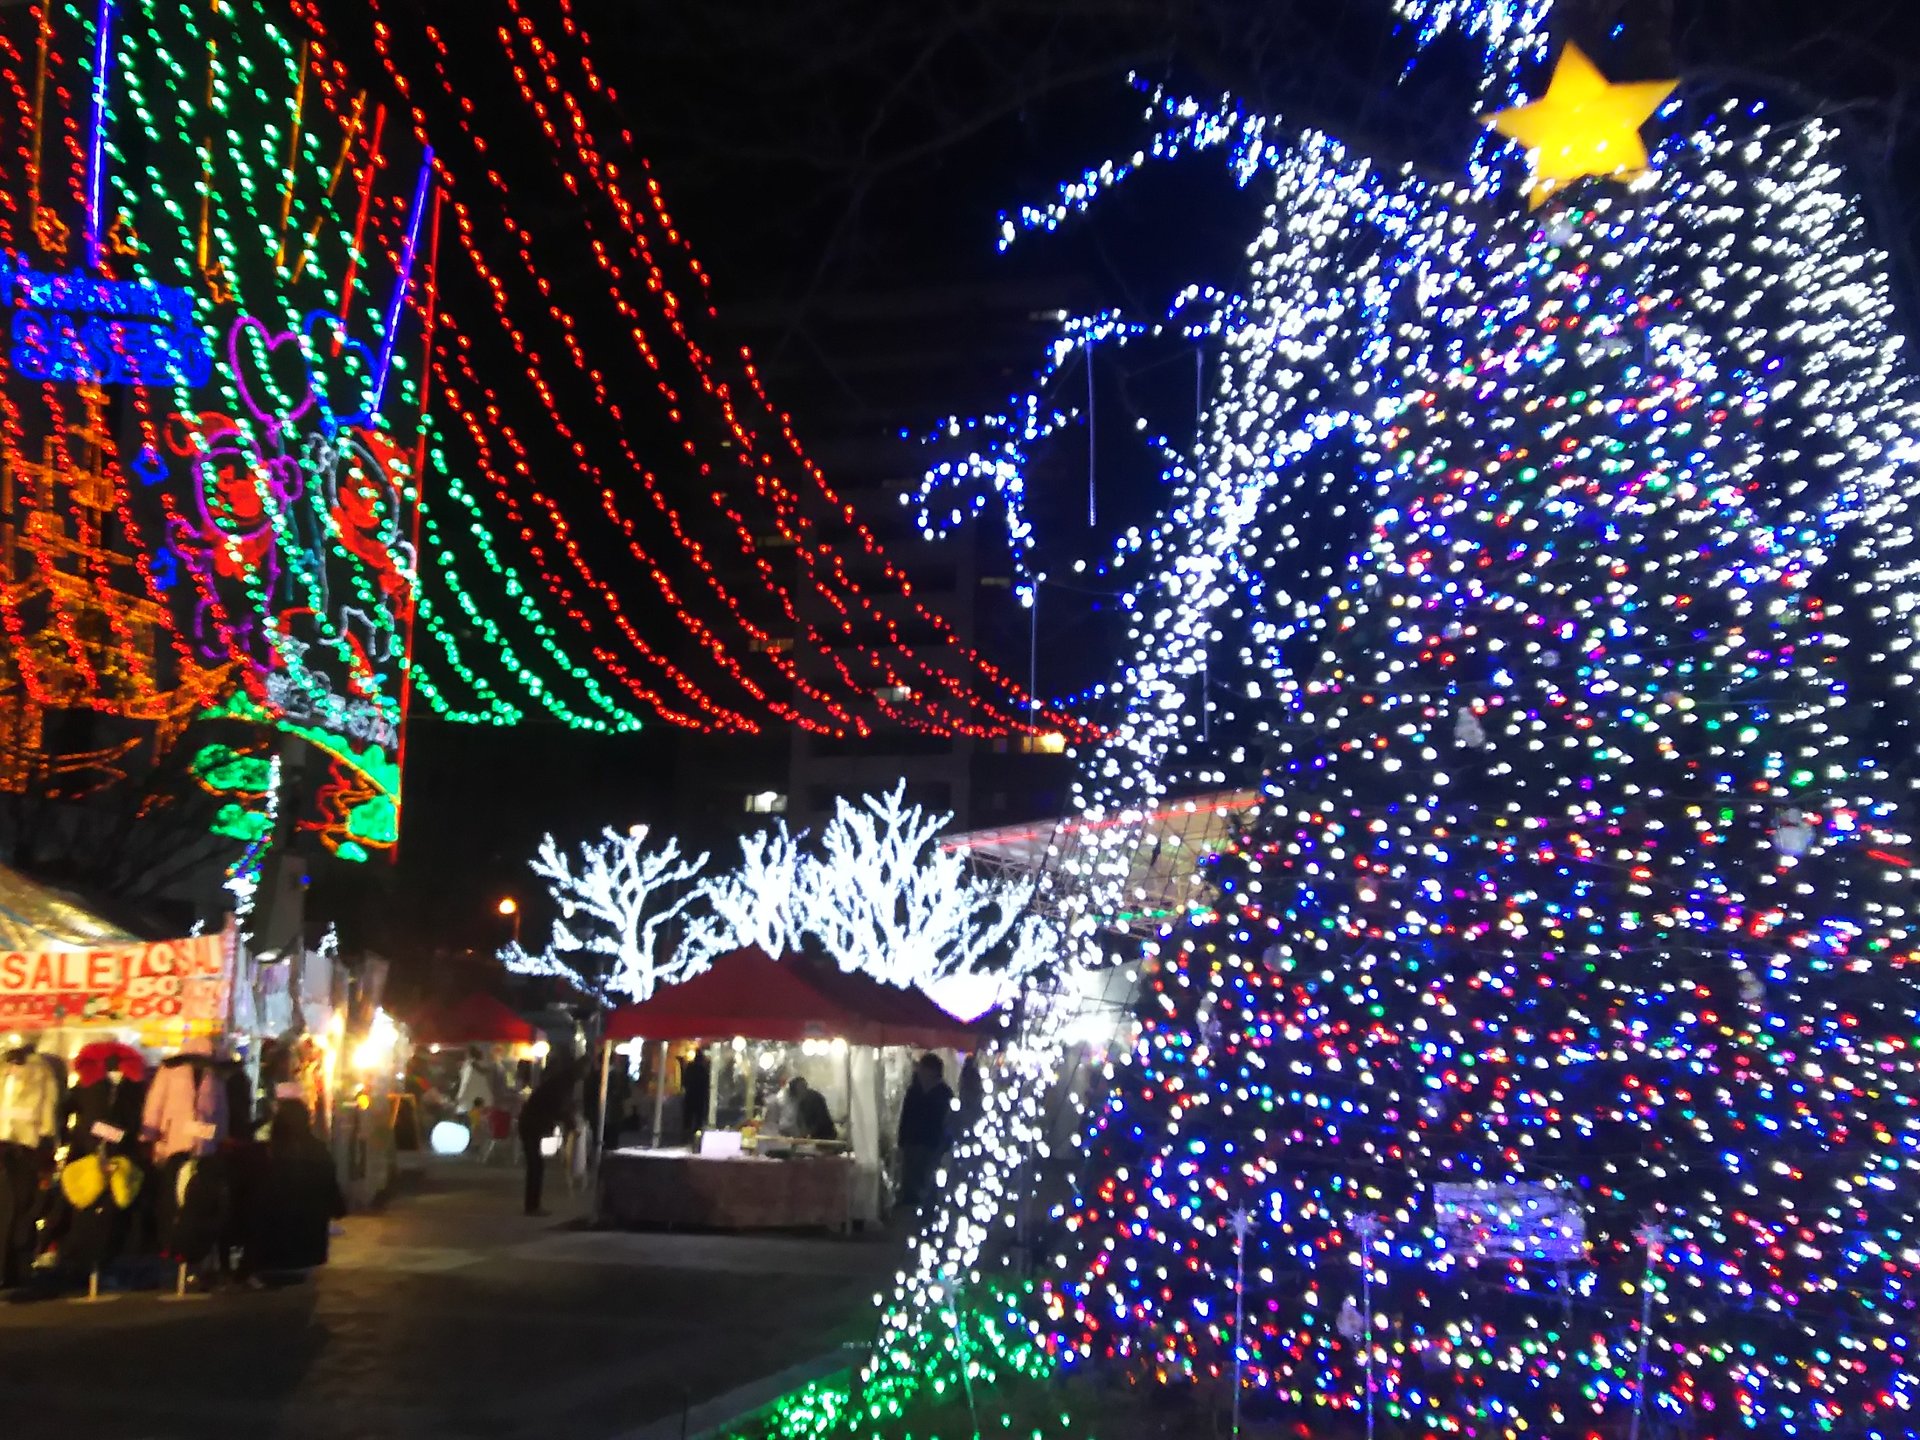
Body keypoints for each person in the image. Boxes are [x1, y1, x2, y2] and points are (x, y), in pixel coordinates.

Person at [243, 1098, 347, 1284]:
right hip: (308, 1251)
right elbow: (330, 1190)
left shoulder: (265, 1154)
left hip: (269, 1253)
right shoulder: (317, 1151)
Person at [896, 1052, 955, 1210]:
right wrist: (902, 1140)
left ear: (933, 1071)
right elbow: (906, 1116)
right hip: (913, 1141)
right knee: (910, 1176)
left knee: (927, 1177)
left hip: (932, 1144)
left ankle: (926, 1207)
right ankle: (910, 1205)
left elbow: (948, 1122)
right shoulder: (914, 1090)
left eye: (923, 1068)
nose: (919, 1072)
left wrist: (945, 1145)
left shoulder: (944, 1093)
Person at [517, 1061, 576, 1217]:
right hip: (531, 1127)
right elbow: (558, 1110)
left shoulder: (551, 1087)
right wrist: (570, 1122)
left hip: (530, 1126)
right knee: (535, 1166)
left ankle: (532, 1204)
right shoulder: (556, 1089)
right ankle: (532, 1206)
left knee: (535, 1165)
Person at [784, 1076, 836, 1142]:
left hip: (824, 1137)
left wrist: (808, 1134)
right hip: (808, 1137)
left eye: (803, 1087)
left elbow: (821, 1120)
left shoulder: (815, 1098)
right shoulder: (796, 1099)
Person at [679, 1046, 711, 1145]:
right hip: (700, 1098)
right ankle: (696, 1140)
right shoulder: (704, 1070)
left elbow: (685, 1081)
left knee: (688, 1120)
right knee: (698, 1120)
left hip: (690, 1096)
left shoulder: (691, 1067)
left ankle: (686, 1138)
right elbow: (706, 1085)